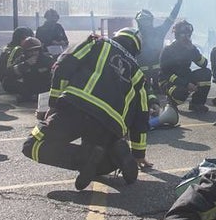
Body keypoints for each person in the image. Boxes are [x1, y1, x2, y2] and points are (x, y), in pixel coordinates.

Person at [21, 28, 151, 190]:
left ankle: (85, 157)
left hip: (76, 108)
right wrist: (138, 154)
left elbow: (63, 66)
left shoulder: (96, 42)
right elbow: (142, 114)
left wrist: (53, 104)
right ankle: (115, 153)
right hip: (109, 127)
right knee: (99, 163)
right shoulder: (138, 73)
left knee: (32, 145)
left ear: (117, 37)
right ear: (136, 49)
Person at [156, 19, 212, 125]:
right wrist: (186, 84)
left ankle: (197, 103)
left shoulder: (190, 48)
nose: (186, 37)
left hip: (185, 77)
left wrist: (193, 50)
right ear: (177, 35)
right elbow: (166, 73)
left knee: (206, 73)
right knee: (180, 94)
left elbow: (203, 64)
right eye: (183, 34)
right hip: (168, 80)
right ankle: (172, 102)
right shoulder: (168, 50)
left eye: (188, 34)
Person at [135, 0, 184, 78]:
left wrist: (178, 4)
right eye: (142, 22)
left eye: (146, 22)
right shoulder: (135, 36)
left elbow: (171, 18)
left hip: (157, 74)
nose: (144, 25)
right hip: (143, 76)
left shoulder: (157, 32)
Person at [6, 37, 54, 103]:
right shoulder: (22, 59)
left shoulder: (47, 59)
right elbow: (10, 72)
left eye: (36, 50)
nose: (34, 53)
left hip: (43, 86)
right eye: (30, 51)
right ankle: (27, 96)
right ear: (26, 52)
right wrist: (26, 64)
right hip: (28, 85)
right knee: (9, 82)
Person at [0, 27, 36, 94]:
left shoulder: (7, 48)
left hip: (6, 81)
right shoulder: (19, 50)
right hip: (13, 82)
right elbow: (13, 70)